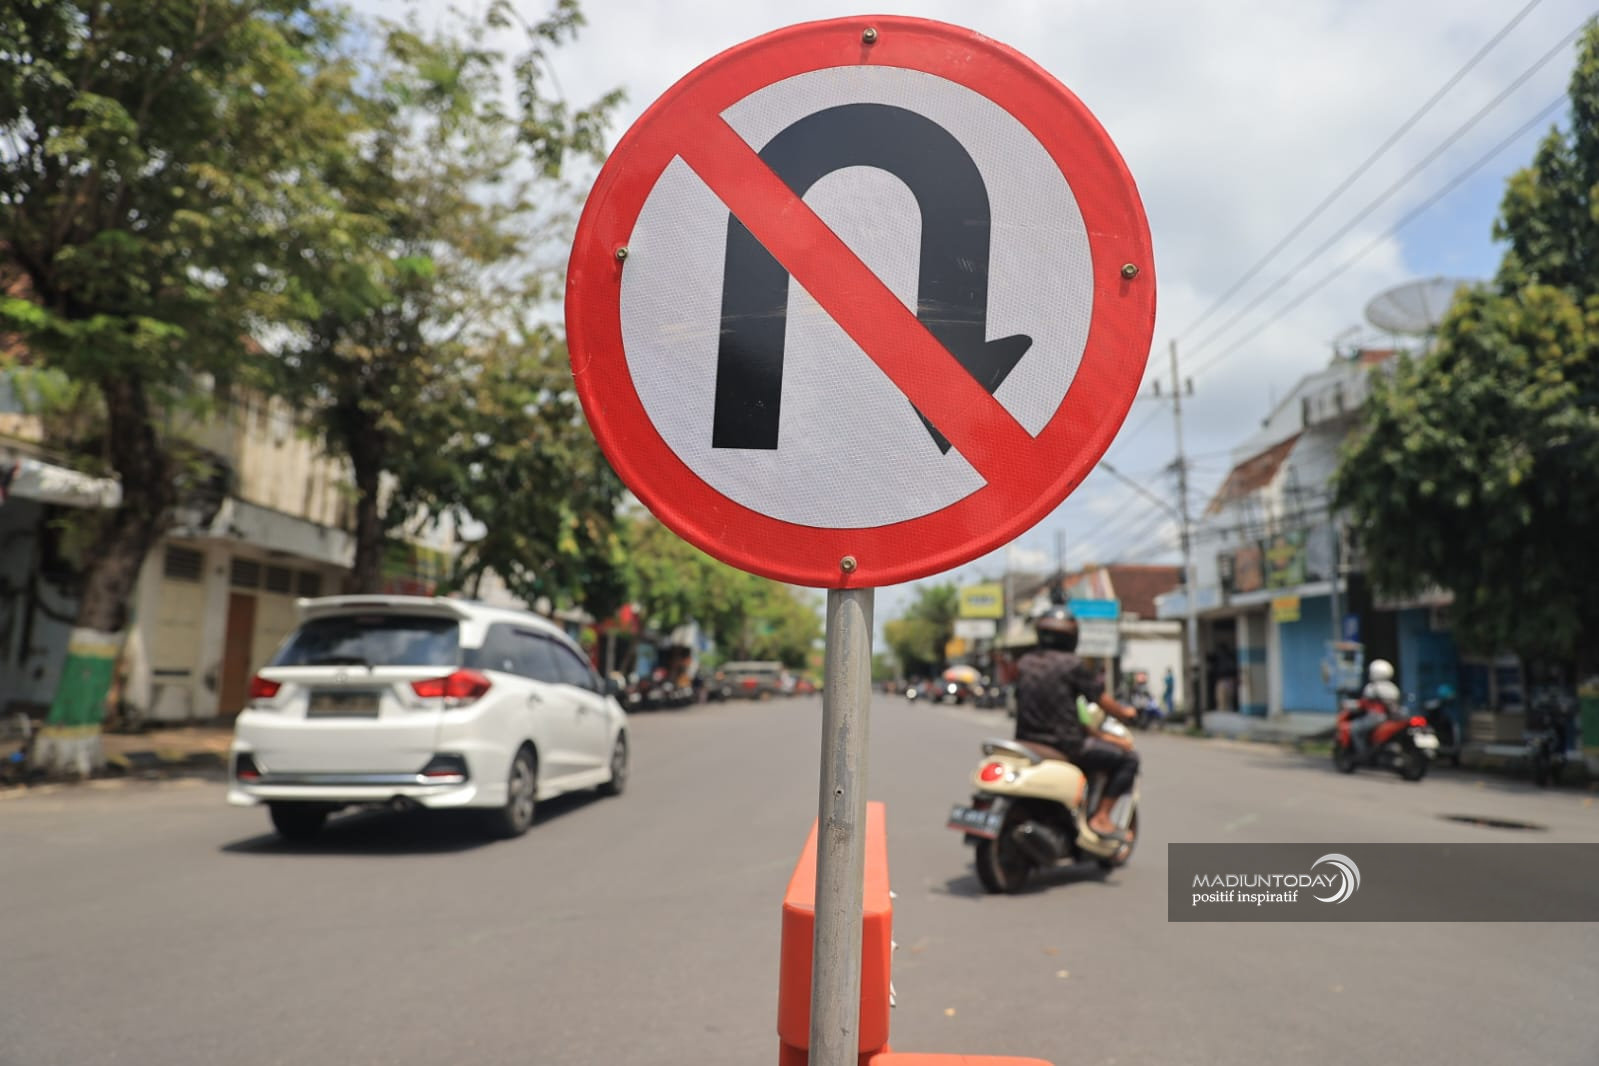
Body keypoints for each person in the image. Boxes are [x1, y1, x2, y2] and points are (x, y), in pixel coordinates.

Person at [1013, 606, 1140, 842]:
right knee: (1128, 760)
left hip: (1027, 742)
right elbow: (1100, 698)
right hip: (1065, 746)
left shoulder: (1025, 663)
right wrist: (1125, 713)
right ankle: (1101, 817)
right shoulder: (1072, 665)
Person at [1351, 658, 1400, 755]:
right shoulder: (1393, 688)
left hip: (1376, 717)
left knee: (1355, 729)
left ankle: (1362, 753)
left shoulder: (1372, 687)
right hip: (1392, 718)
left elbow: (1363, 703)